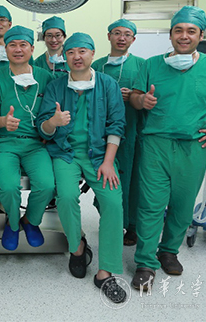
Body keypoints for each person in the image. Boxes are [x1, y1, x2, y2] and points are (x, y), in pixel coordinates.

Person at [129, 6, 206, 291]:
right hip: (156, 145)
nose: (184, 36)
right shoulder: (151, 65)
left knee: (183, 206)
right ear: (171, 34)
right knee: (150, 205)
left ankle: (169, 251)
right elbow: (134, 96)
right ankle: (145, 263)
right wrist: (141, 101)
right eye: (178, 30)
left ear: (200, 35)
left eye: (191, 31)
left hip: (193, 146)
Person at [37, 32, 127, 303]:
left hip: (100, 155)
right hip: (65, 153)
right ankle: (77, 248)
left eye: (82, 51)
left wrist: (108, 162)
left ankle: (106, 271)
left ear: (92, 54)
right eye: (71, 52)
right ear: (65, 56)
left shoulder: (108, 85)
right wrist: (53, 122)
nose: (77, 56)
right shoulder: (56, 86)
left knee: (113, 202)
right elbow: (42, 128)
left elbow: (117, 124)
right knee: (66, 196)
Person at [0, 25, 56, 251]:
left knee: (47, 185)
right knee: (9, 186)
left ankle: (30, 221)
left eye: (23, 45)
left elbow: (52, 113)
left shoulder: (45, 78)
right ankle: (13, 224)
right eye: (12, 45)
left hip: (35, 144)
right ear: (6, 49)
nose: (18, 49)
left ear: (32, 49)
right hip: (4, 143)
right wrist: (3, 121)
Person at [91, 19, 145, 246]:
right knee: (106, 178)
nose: (121, 38)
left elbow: (147, 98)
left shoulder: (142, 65)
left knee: (133, 179)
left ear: (133, 39)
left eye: (127, 34)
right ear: (109, 36)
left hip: (132, 132)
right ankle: (110, 221)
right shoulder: (96, 66)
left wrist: (133, 96)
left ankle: (132, 226)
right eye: (117, 33)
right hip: (102, 134)